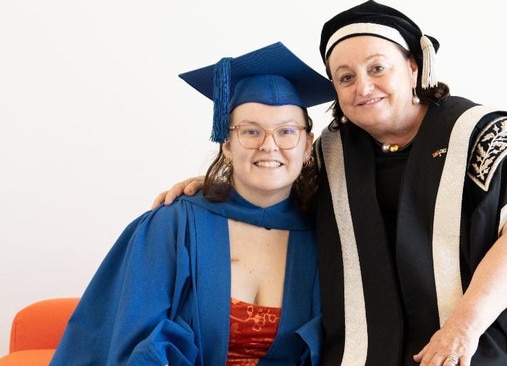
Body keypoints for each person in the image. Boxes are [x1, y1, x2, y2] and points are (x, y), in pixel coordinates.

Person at [153, 2, 507, 365]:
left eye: (378, 68)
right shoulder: (335, 151)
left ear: (414, 66)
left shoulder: (480, 132)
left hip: (478, 340)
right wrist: (218, 182)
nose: (363, 87)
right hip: (368, 349)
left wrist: (461, 329)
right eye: (346, 77)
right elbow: (283, 195)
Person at [50, 42, 336, 365]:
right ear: (226, 144)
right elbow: (138, 342)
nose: (269, 146)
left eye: (286, 131)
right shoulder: (176, 224)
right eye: (251, 131)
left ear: (307, 145)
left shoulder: (327, 236)